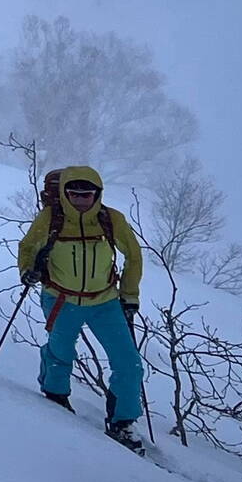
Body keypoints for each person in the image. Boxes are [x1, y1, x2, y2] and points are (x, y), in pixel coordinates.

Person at [17, 165, 146, 453]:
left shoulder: (112, 220)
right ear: (64, 193)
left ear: (97, 194)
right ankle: (56, 399)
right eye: (73, 194)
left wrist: (129, 296)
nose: (80, 200)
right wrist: (28, 269)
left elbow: (134, 257)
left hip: (105, 302)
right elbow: (27, 246)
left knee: (129, 363)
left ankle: (123, 422)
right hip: (61, 298)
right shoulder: (51, 218)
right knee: (60, 353)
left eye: (86, 195)